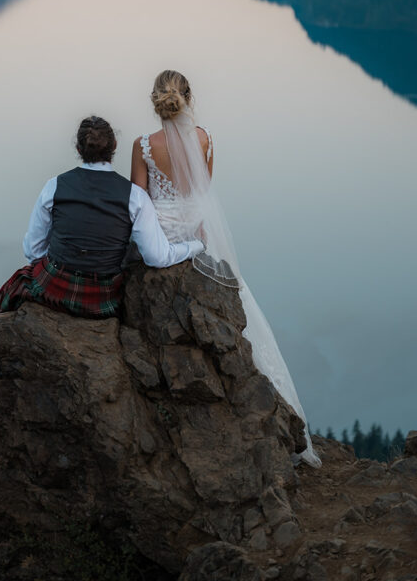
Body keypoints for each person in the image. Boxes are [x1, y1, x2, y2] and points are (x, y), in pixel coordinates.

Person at [0, 114, 204, 423]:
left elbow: (32, 250)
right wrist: (196, 246)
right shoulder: (134, 197)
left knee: (7, 294)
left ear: (79, 148)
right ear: (113, 148)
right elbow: (157, 256)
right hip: (103, 299)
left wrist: (60, 258)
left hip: (55, 285)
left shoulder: (55, 185)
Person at [131, 70, 322, 468]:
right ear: (187, 98)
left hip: (162, 235)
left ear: (155, 100)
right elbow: (203, 194)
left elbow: (138, 200)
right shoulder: (204, 139)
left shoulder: (143, 146)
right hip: (198, 234)